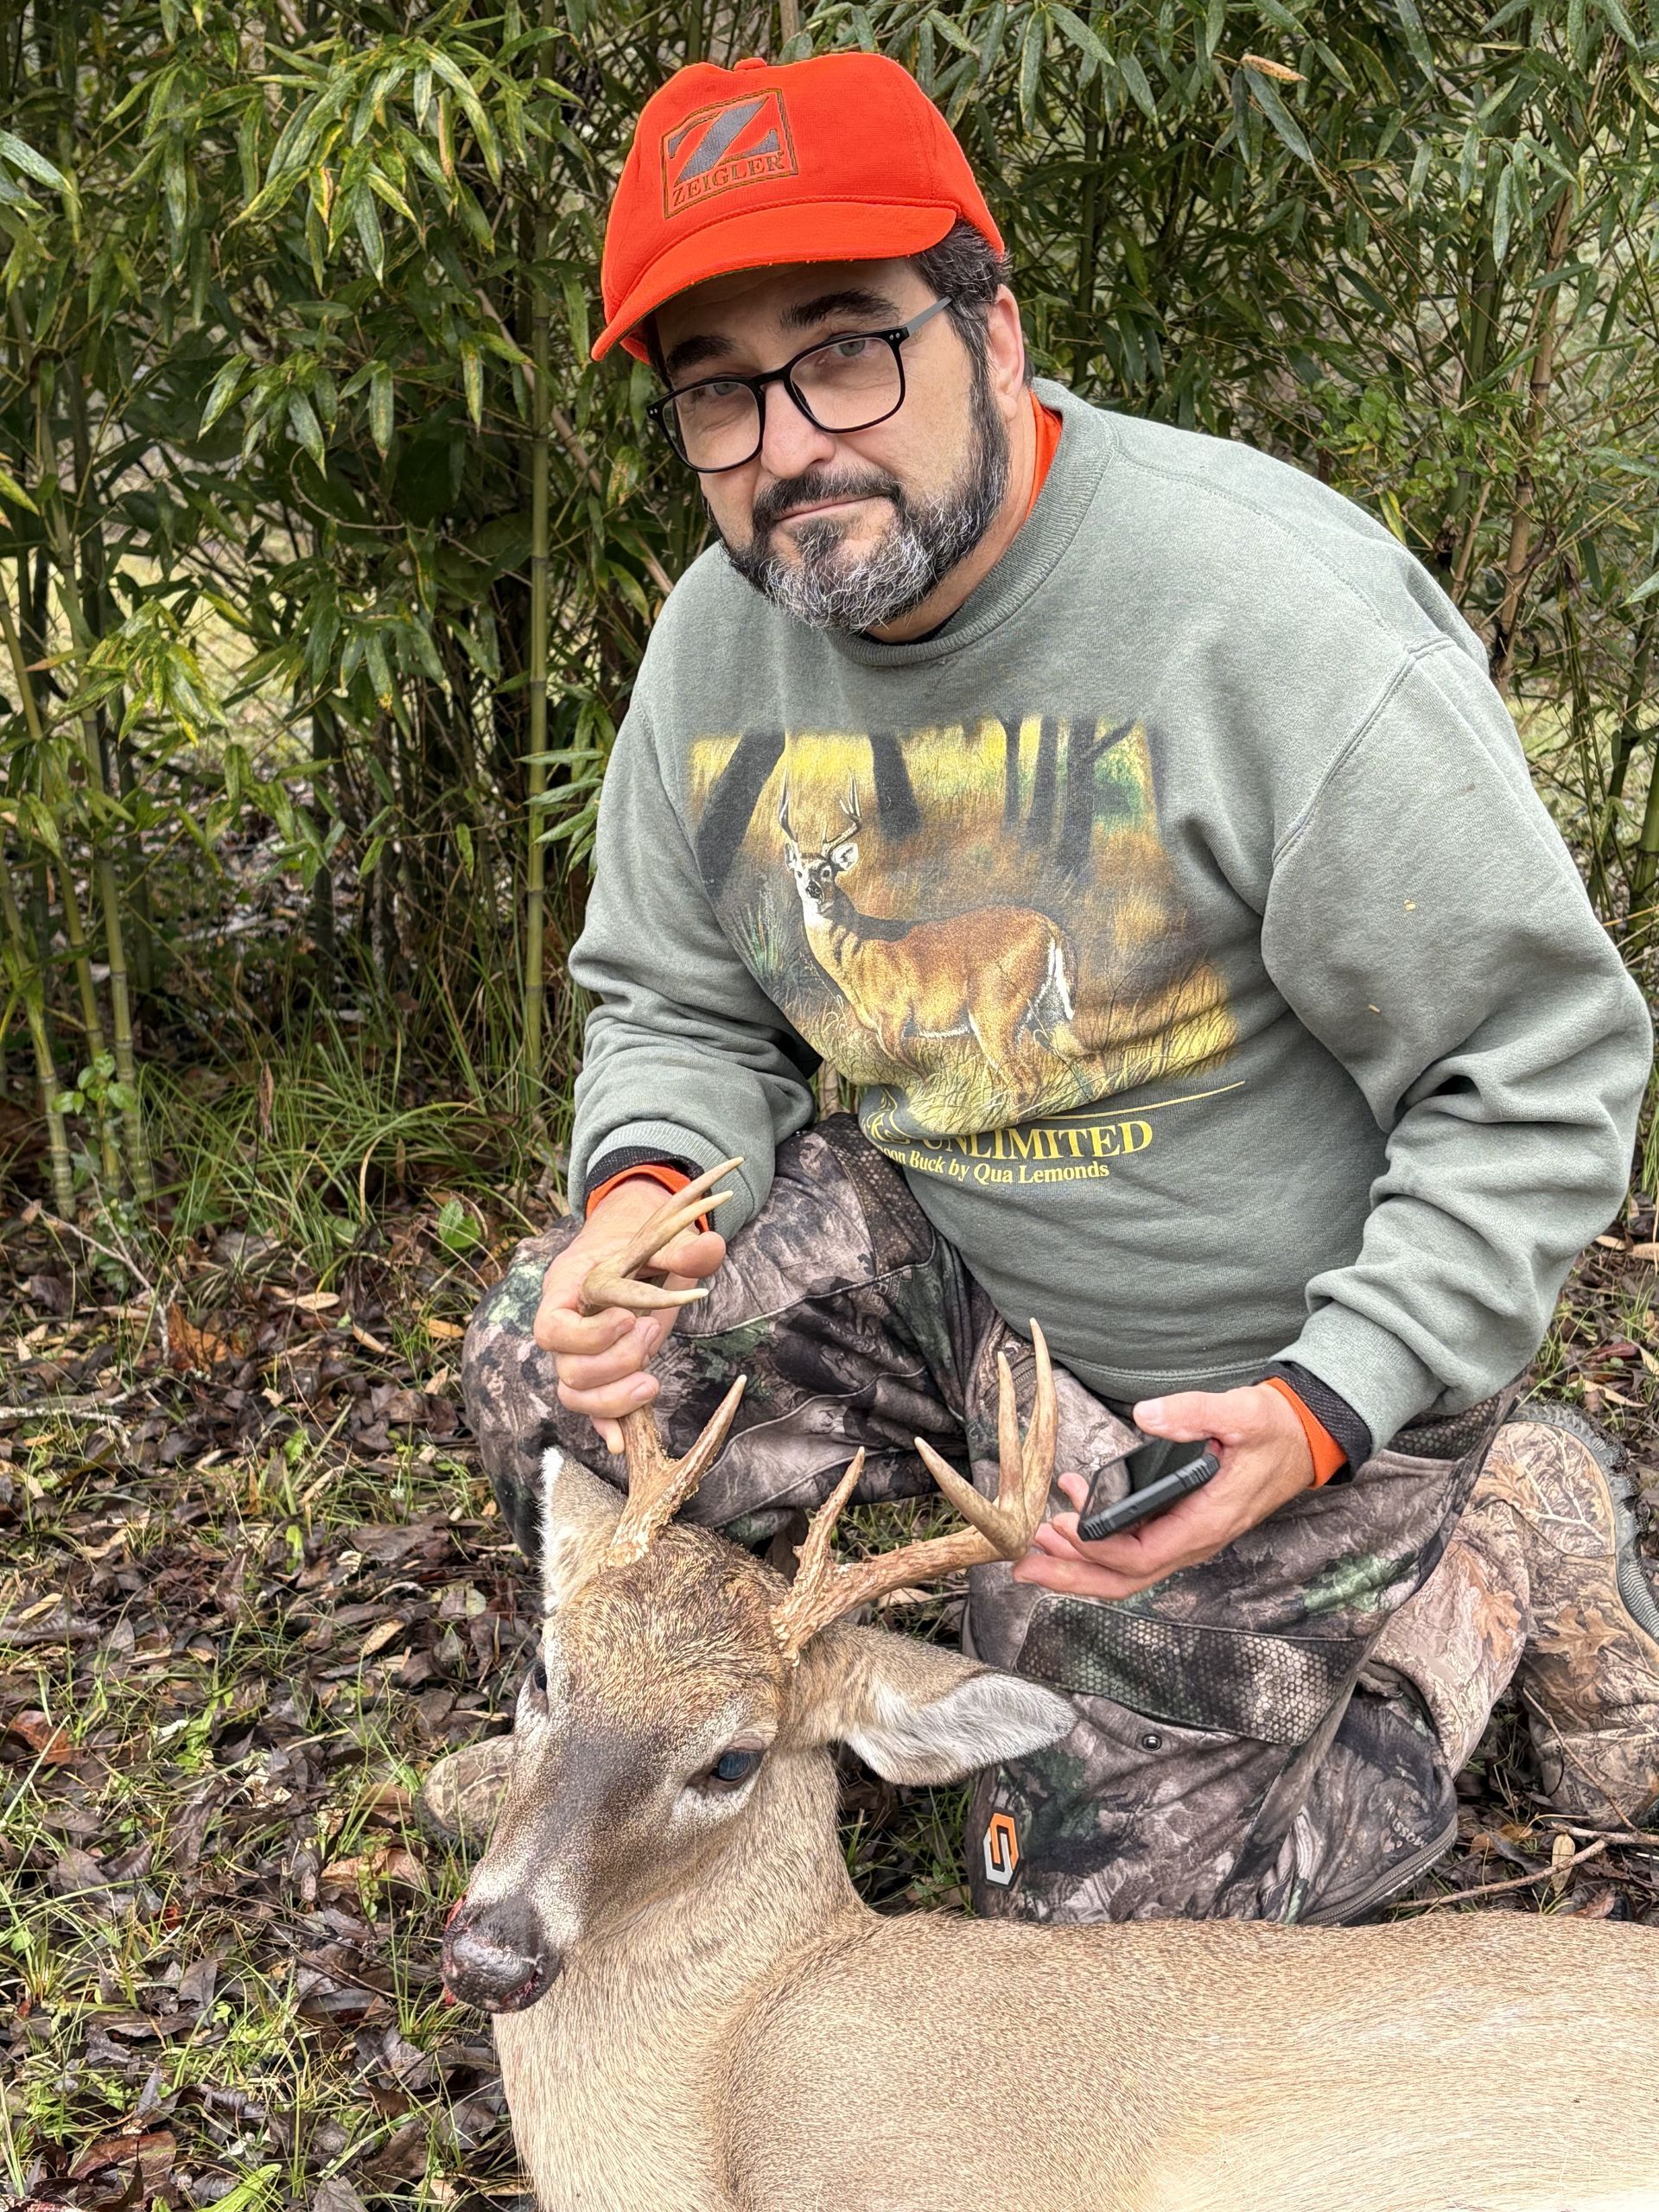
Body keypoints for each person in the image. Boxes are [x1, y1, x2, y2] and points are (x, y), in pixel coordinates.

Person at [430, 50, 1657, 1922]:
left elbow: (1546, 1068)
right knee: (546, 1360)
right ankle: (672, 1731)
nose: (786, 444)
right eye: (716, 394)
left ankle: (1482, 1573)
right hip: (954, 1266)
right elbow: (677, 1006)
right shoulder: (717, 642)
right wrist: (645, 1204)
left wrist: (1337, 1395)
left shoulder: (1271, 624)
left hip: (1255, 1367)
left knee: (1095, 1916)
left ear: (990, 327)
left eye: (846, 349)